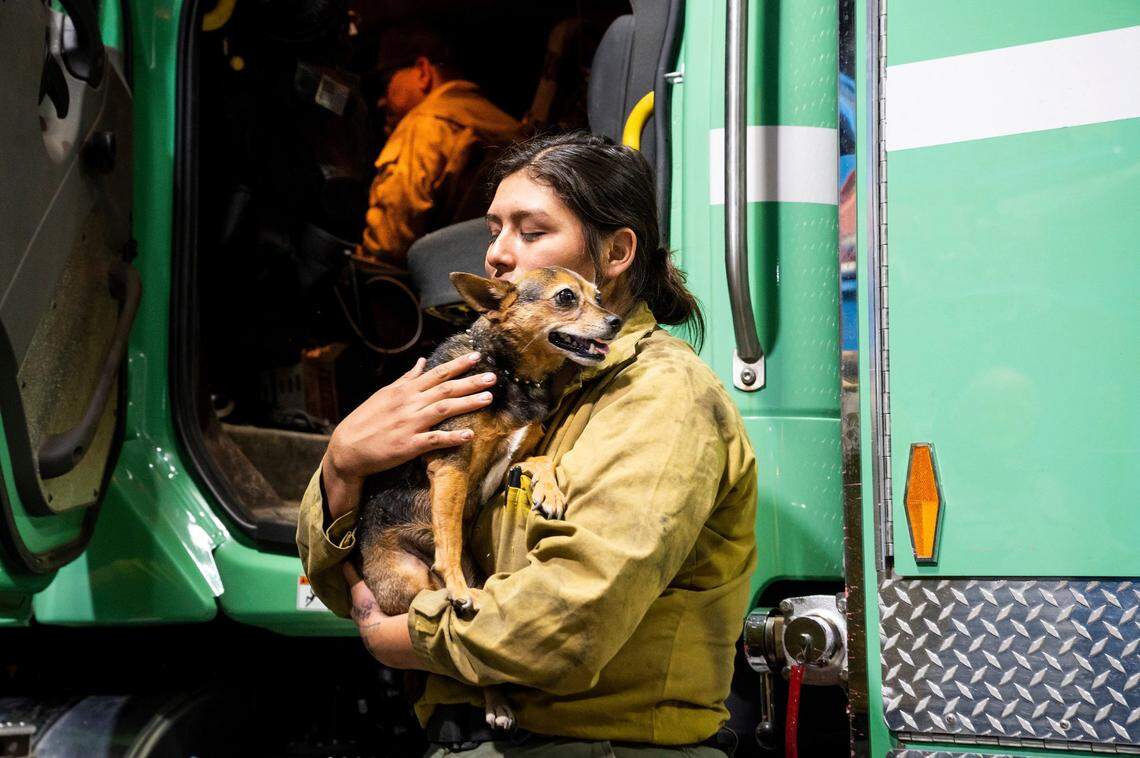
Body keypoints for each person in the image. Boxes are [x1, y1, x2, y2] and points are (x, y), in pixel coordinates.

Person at [297, 132, 758, 756]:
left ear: (617, 251)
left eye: (531, 232)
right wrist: (344, 463)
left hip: (596, 746)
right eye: (494, 230)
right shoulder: (512, 385)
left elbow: (573, 623)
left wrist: (408, 638)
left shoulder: (661, 397)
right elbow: (351, 588)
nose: (497, 255)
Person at [359, 26, 520, 266]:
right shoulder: (504, 125)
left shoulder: (425, 123)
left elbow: (389, 243)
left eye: (386, 84)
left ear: (423, 72)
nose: (382, 101)